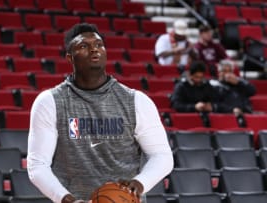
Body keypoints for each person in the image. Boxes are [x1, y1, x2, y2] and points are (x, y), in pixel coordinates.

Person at [27, 23, 173, 203]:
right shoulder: (50, 102)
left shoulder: (136, 101)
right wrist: (66, 199)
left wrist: (140, 183)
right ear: (70, 58)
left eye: (98, 45)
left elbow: (162, 156)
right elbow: (38, 165)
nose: (94, 50)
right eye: (83, 46)